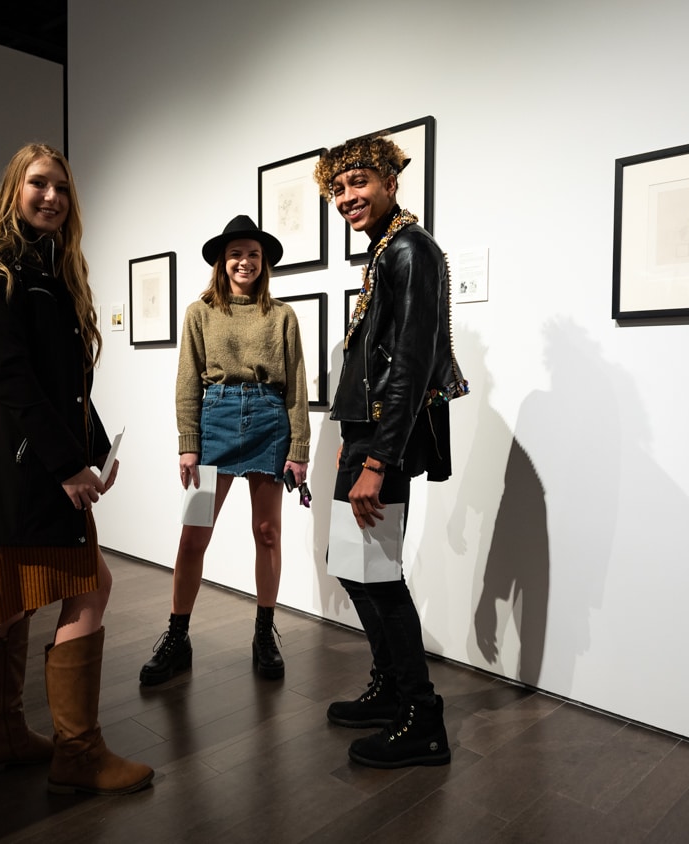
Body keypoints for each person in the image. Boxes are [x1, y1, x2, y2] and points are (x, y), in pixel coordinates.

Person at [0, 142, 153, 795]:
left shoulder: (56, 268)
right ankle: (77, 752)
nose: (52, 196)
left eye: (61, 186)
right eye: (38, 183)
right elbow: (10, 374)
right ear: (14, 188)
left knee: (9, 604)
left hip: (26, 457)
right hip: (16, 463)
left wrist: (93, 451)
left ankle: (0, 736)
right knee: (83, 585)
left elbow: (66, 385)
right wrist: (66, 464)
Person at [313, 134, 461, 768]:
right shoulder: (385, 251)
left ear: (390, 182)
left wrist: (377, 460)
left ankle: (422, 717)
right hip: (366, 434)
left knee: (375, 572)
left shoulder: (409, 250)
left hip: (382, 441)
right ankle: (393, 688)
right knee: (353, 565)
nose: (347, 196)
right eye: (338, 188)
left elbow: (411, 364)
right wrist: (356, 441)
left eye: (358, 182)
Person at [139, 215, 311, 686]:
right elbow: (186, 381)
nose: (245, 262)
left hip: (270, 421)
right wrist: (188, 443)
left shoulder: (282, 316)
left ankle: (264, 634)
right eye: (236, 254)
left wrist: (299, 448)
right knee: (193, 536)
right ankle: (177, 637)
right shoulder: (200, 313)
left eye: (253, 254)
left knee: (267, 533)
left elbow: (297, 386)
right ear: (222, 261)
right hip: (215, 421)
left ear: (263, 262)